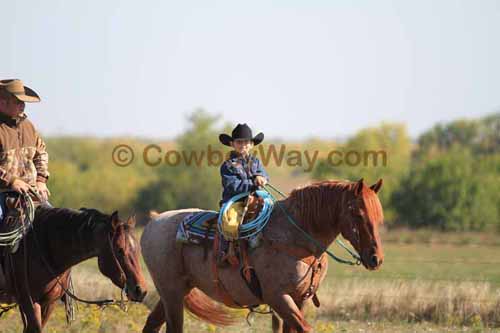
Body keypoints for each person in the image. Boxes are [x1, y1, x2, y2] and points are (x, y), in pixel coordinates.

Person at [0, 79, 51, 210]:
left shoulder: (28, 126)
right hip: (2, 193)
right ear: (2, 103)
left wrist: (41, 180)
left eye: (23, 101)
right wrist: (12, 181)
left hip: (31, 193)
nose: (22, 105)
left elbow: (41, 154)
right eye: (18, 101)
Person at [218, 123, 269, 240]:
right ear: (232, 144)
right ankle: (228, 250)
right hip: (236, 202)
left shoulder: (256, 162)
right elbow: (232, 185)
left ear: (251, 145)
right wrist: (253, 183)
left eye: (246, 142)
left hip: (256, 199)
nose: (243, 145)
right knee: (231, 225)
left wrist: (262, 178)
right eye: (239, 142)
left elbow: (264, 175)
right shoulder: (227, 165)